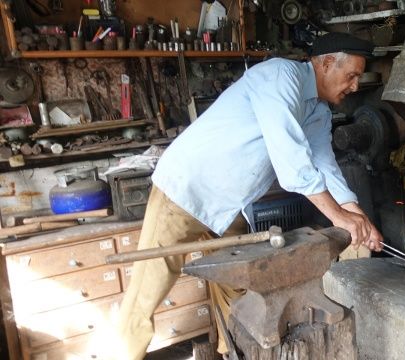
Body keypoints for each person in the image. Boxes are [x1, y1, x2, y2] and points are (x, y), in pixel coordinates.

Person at [113, 32, 384, 359]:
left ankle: (234, 353)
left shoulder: (318, 112)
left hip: (226, 207)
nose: (355, 86)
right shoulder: (281, 76)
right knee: (146, 294)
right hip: (184, 191)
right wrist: (339, 217)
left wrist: (359, 218)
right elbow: (292, 164)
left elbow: (324, 165)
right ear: (326, 63)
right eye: (352, 75)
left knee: (244, 290)